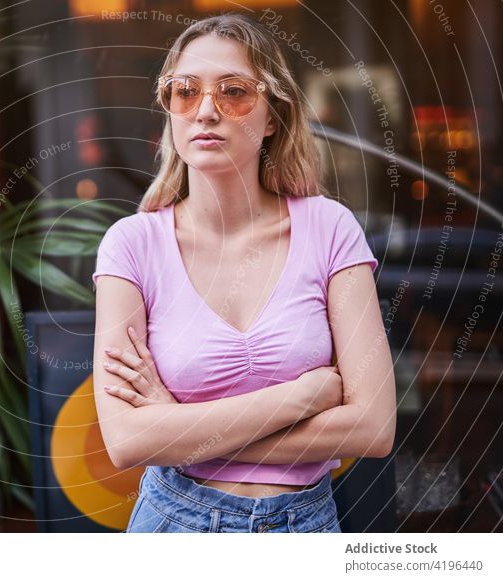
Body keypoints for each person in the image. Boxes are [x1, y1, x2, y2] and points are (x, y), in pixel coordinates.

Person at [91, 13, 396, 533]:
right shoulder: (132, 245)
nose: (206, 110)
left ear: (273, 116)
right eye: (184, 91)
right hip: (174, 524)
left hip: (302, 527)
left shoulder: (329, 229)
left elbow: (373, 427)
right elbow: (127, 441)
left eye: (233, 91)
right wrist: (302, 397)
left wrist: (181, 429)